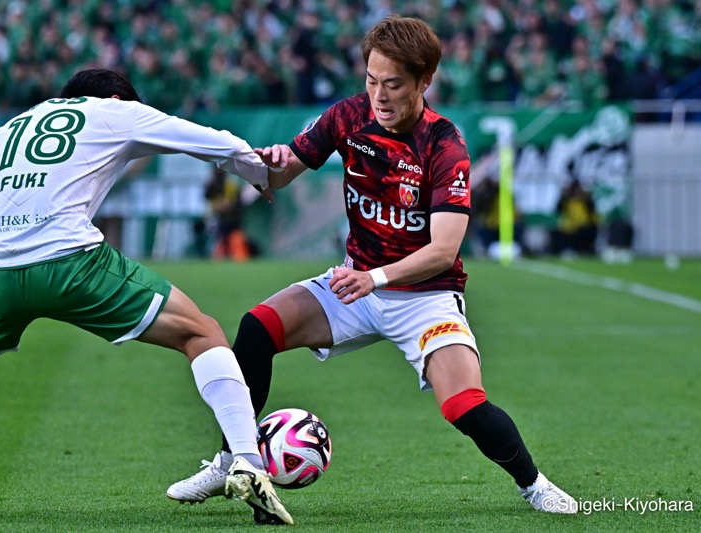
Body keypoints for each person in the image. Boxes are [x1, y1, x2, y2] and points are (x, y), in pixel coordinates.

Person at [167, 15, 578, 521]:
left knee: (464, 405)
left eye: (393, 84)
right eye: (371, 80)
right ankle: (236, 460)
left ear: (424, 81)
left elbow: (443, 250)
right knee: (258, 328)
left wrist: (374, 278)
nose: (379, 96)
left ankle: (535, 485)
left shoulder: (444, 146)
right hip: (354, 284)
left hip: (425, 297)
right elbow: (282, 173)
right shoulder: (348, 116)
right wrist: (264, 163)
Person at [0, 69, 292, 525]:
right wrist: (256, 171)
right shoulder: (114, 111)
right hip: (69, 261)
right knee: (201, 332)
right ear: (116, 98)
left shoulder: (11, 129)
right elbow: (205, 138)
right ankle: (247, 459)